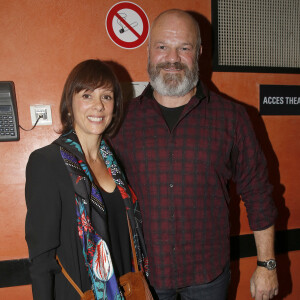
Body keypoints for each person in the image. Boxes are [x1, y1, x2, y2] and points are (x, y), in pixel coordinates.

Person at [111, 9, 279, 300]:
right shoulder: (120, 121)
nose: (172, 58)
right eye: (163, 46)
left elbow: (258, 192)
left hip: (209, 277)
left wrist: (267, 264)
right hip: (146, 278)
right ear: (149, 51)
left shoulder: (233, 118)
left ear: (199, 52)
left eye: (184, 48)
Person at [25, 59, 149, 299]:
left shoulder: (115, 163)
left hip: (125, 289)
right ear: (69, 105)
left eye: (107, 96)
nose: (98, 106)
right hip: (78, 293)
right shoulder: (47, 163)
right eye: (87, 96)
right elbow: (41, 259)